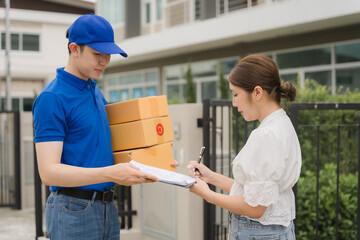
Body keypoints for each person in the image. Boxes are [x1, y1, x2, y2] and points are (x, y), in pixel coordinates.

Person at [33, 14, 177, 240]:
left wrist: (154, 163)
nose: (104, 62)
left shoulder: (94, 90)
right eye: (97, 54)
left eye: (108, 55)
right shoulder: (52, 98)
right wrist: (111, 173)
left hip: (107, 208)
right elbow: (49, 173)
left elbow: (115, 146)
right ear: (74, 49)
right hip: (73, 209)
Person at [187, 54, 302, 239]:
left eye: (235, 94)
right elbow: (256, 193)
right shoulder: (282, 123)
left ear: (257, 93)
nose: (234, 103)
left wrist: (207, 195)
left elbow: (255, 208)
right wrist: (210, 177)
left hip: (257, 233)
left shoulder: (266, 134)